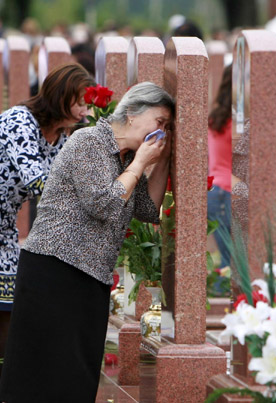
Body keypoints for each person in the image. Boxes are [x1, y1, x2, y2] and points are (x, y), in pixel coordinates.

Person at [0, 81, 174, 402]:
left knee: (77, 375)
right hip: (53, 271)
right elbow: (103, 203)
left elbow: (148, 210)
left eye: (166, 128)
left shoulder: (126, 158)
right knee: (42, 376)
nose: (160, 132)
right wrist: (140, 164)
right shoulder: (89, 140)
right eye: (159, 123)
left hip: (91, 276)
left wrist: (160, 160)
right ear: (133, 113)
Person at [0, 62, 94, 371]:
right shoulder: (19, 121)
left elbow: (64, 188)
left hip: (4, 227)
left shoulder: (60, 137)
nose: (84, 111)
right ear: (60, 95)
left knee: (10, 303)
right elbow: (41, 182)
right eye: (80, 102)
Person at [208, 64, 232, 268]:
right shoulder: (237, 123)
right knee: (231, 261)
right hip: (230, 192)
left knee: (226, 257)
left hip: (215, 189)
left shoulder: (215, 119)